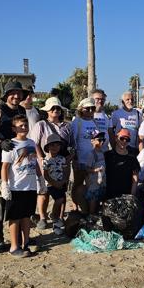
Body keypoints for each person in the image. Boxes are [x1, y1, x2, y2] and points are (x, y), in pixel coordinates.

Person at [0, 81, 28, 252]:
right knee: (0, 197)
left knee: (17, 197)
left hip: (19, 160)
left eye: (19, 93)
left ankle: (15, 236)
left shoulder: (21, 110)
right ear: (6, 94)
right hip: (1, 159)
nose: (16, 96)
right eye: (13, 93)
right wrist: (0, 142)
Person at [0, 114, 45, 257]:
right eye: (20, 126)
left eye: (26, 125)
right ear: (14, 128)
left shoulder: (31, 143)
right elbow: (5, 167)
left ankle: (26, 243)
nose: (24, 128)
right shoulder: (11, 145)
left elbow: (35, 162)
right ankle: (14, 246)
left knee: (26, 217)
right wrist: (5, 185)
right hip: (16, 187)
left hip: (30, 187)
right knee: (15, 217)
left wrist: (40, 179)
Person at [29, 96, 73, 228]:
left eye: (57, 108)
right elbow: (34, 142)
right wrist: (41, 157)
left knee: (61, 189)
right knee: (44, 191)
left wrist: (68, 159)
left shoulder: (67, 126)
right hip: (45, 162)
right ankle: (42, 217)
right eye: (52, 108)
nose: (55, 110)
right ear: (47, 110)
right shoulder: (41, 125)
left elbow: (71, 145)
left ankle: (58, 216)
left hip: (62, 163)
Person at [70, 98, 99, 214]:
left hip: (92, 160)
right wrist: (75, 158)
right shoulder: (77, 121)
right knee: (77, 184)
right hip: (80, 159)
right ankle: (75, 206)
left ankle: (87, 207)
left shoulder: (94, 121)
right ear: (81, 109)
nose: (90, 110)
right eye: (88, 108)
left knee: (90, 184)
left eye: (93, 108)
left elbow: (97, 138)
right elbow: (73, 140)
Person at [42, 133, 69, 235]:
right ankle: (53, 216)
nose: (55, 147)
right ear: (48, 147)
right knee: (59, 199)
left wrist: (64, 180)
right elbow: (45, 175)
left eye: (57, 145)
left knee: (61, 201)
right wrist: (54, 183)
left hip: (61, 183)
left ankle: (56, 224)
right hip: (50, 184)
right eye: (52, 145)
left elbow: (65, 170)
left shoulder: (62, 158)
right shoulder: (46, 160)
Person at [105, 129, 140, 199]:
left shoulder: (132, 158)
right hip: (109, 196)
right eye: (122, 138)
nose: (124, 141)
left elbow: (135, 179)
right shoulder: (107, 155)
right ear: (116, 138)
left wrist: (132, 197)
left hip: (125, 196)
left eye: (127, 140)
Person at [85, 130, 107, 213]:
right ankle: (91, 217)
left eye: (103, 140)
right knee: (93, 201)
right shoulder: (91, 154)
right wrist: (95, 170)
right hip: (94, 182)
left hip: (102, 181)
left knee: (99, 200)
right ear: (92, 141)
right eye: (99, 140)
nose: (101, 142)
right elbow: (87, 169)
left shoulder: (102, 152)